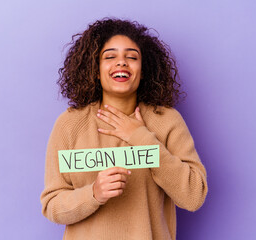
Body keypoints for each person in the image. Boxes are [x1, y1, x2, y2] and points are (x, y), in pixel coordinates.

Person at [40, 18, 208, 240]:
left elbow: (193, 195)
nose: (121, 63)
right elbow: (52, 206)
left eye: (132, 57)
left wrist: (140, 137)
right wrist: (94, 193)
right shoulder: (69, 125)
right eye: (110, 57)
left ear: (143, 70)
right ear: (95, 70)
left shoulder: (167, 121)